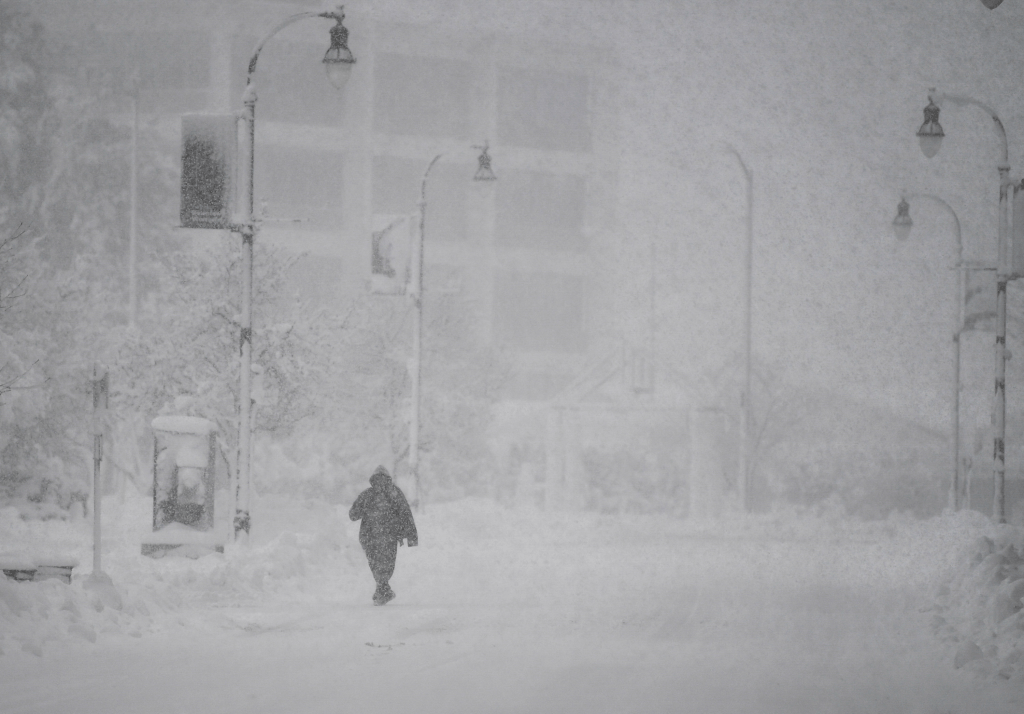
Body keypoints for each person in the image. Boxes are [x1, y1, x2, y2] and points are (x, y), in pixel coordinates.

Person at [348, 465, 418, 605]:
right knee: (387, 563)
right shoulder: (394, 493)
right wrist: (411, 536)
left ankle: (382, 590)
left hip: (370, 537)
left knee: (375, 563)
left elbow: (353, 515)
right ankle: (383, 590)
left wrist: (365, 510)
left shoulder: (367, 495)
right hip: (389, 536)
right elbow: (406, 514)